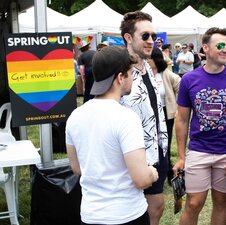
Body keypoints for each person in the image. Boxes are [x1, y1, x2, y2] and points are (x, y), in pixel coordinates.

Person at [66, 46, 159, 225]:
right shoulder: (126, 117)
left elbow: (77, 168)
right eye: (131, 73)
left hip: (90, 215)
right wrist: (152, 173)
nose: (133, 78)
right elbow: (141, 179)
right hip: (126, 215)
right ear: (120, 77)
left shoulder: (75, 116)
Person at [173, 27, 226, 225]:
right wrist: (182, 156)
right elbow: (182, 119)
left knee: (220, 202)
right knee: (193, 203)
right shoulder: (189, 80)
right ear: (205, 48)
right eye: (220, 45)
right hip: (199, 150)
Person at [120, 11, 168, 225]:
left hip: (158, 149)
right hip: (133, 154)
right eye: (145, 36)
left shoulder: (148, 67)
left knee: (157, 207)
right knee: (136, 213)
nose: (151, 41)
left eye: (153, 36)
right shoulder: (119, 69)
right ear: (128, 38)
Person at [148, 47, 181, 184]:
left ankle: (167, 171)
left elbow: (180, 85)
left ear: (157, 59)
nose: (147, 61)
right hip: (149, 114)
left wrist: (179, 106)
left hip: (166, 114)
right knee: (151, 142)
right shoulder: (144, 73)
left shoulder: (166, 74)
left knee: (165, 143)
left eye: (150, 58)